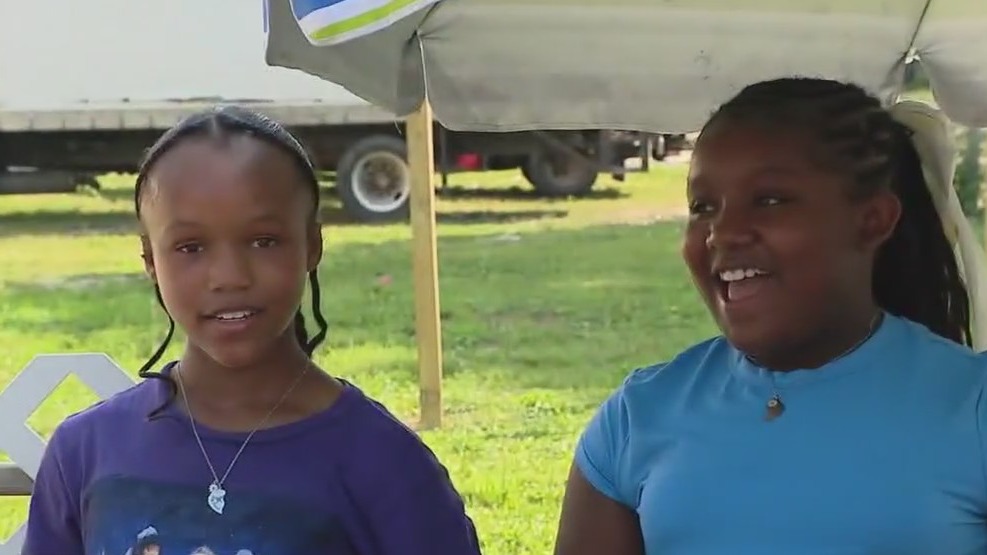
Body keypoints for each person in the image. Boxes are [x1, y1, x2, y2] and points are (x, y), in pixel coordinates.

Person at [553, 77, 987, 554]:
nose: (724, 233)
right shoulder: (637, 418)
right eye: (703, 207)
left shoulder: (971, 404)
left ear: (873, 220)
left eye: (770, 200)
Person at [23, 106, 483, 555]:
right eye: (191, 247)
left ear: (312, 246)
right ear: (150, 260)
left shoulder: (385, 465)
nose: (229, 276)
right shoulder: (85, 452)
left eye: (264, 241)